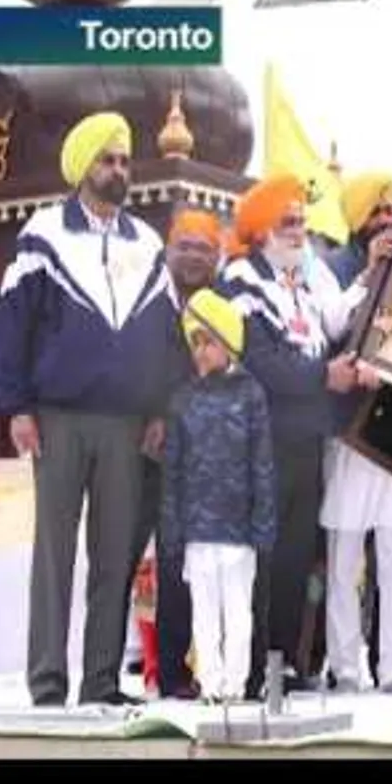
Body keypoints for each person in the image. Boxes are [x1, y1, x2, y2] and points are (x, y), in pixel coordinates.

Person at [0, 111, 172, 707]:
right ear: (82, 167)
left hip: (127, 425)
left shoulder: (147, 244)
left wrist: (160, 412)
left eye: (124, 160)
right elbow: (12, 325)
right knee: (54, 554)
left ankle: (100, 682)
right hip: (59, 418)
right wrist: (15, 406)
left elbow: (167, 339)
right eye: (107, 159)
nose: (118, 170)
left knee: (115, 555)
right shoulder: (44, 233)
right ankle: (47, 683)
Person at [218, 173, 370, 696]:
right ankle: (253, 662)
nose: (299, 232)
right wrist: (325, 376)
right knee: (260, 554)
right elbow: (259, 360)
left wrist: (340, 365)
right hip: (262, 440)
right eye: (288, 223)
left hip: (306, 439)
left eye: (302, 223)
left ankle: (282, 660)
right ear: (260, 230)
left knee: (296, 554)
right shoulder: (240, 277)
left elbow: (313, 348)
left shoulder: (298, 284)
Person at [320, 172, 392, 695]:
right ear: (357, 222)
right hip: (348, 434)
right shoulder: (334, 269)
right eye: (375, 214)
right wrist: (366, 274)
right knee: (343, 556)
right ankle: (344, 668)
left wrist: (385, 374)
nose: (386, 222)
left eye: (391, 212)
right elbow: (326, 327)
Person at [162, 288, 277, 704]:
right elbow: (172, 470)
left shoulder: (252, 395)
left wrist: (264, 524)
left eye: (208, 341)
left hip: (240, 530)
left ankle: (238, 683)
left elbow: (262, 465)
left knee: (239, 611)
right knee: (204, 614)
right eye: (195, 343)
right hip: (197, 528)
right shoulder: (182, 400)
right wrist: (172, 527)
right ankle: (210, 684)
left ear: (228, 343)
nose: (200, 352)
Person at [130, 208, 226, 700]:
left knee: (190, 566)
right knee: (139, 559)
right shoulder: (150, 300)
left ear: (218, 257)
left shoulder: (224, 305)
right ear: (168, 251)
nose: (192, 256)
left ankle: (185, 670)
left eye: (204, 248)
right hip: (147, 449)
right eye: (184, 245)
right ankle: (142, 672)